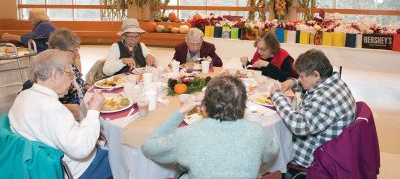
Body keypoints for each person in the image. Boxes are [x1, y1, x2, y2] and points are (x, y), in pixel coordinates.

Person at [142, 75, 279, 179]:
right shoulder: (257, 131)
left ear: (205, 105)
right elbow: (272, 152)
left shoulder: (188, 134)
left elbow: (148, 147)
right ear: (244, 104)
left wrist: (181, 111)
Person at [8, 49, 112, 179]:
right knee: (121, 155)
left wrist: (90, 133)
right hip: (78, 170)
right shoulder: (52, 108)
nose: (73, 80)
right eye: (69, 74)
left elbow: (54, 133)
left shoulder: (23, 96)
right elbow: (81, 149)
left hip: (38, 167)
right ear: (54, 75)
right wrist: (94, 111)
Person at [269, 49, 356, 176]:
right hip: (329, 148)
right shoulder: (333, 82)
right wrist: (293, 82)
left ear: (316, 75)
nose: (300, 79)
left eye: (302, 76)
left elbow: (299, 126)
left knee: (267, 144)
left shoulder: (325, 98)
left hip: (311, 157)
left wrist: (277, 97)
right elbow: (312, 86)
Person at [22, 28, 89, 119]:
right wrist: (66, 108)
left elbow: (80, 81)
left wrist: (92, 88)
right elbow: (37, 104)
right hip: (67, 117)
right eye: (73, 50)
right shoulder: (48, 72)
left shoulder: (69, 65)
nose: (77, 54)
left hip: (84, 106)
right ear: (58, 50)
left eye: (77, 49)